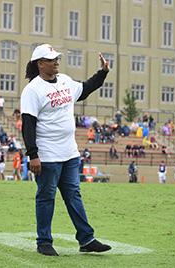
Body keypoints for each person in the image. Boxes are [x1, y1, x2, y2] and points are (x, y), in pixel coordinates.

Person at [21, 43, 111, 256]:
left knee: (74, 195)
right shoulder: (32, 90)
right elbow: (28, 125)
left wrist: (103, 72)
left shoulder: (64, 81)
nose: (56, 63)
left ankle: (86, 239)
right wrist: (33, 155)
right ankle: (44, 242)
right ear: (40, 64)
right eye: (52, 60)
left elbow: (86, 88)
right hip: (47, 154)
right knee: (46, 197)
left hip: (69, 152)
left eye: (57, 59)